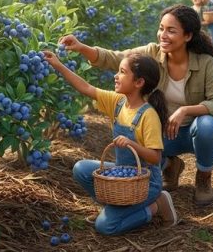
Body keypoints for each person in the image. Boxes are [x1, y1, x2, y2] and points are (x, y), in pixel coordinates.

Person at [58, 5, 213, 206]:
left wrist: (185, 110)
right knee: (134, 133)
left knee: (208, 125)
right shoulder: (152, 53)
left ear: (188, 36)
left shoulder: (205, 63)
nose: (163, 35)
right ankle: (169, 165)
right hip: (161, 134)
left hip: (192, 132)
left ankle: (203, 177)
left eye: (171, 31)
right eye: (161, 28)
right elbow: (115, 58)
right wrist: (82, 47)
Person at [42, 51, 179, 234]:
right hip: (122, 176)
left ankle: (156, 206)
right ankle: (115, 206)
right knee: (81, 169)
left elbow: (155, 158)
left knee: (105, 226)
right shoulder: (118, 102)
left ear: (139, 83)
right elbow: (86, 88)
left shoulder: (148, 116)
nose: (116, 75)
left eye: (122, 72)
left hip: (145, 183)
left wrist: (132, 144)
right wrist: (57, 64)